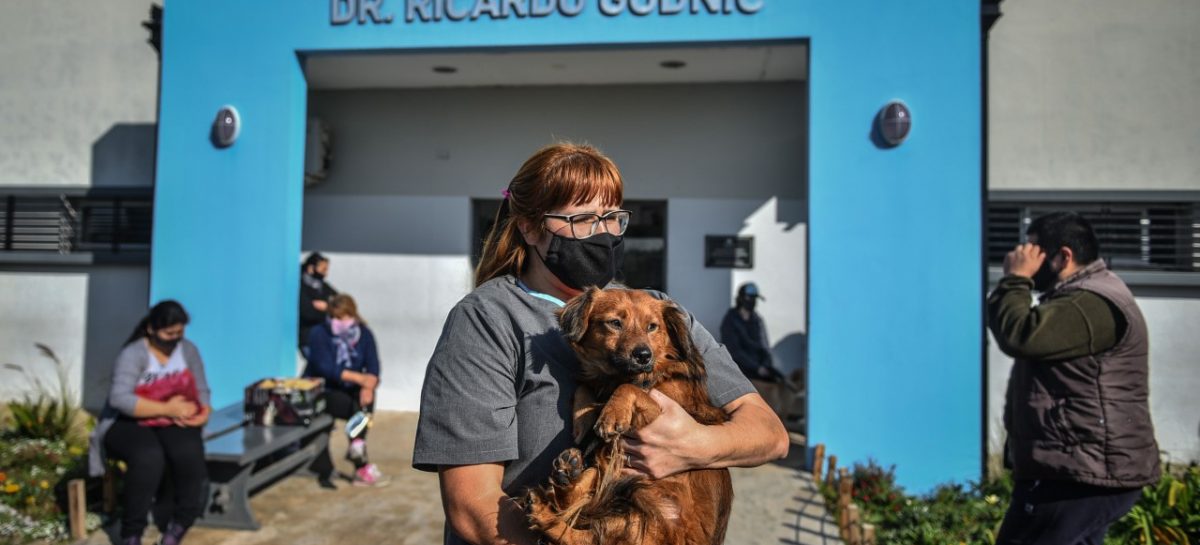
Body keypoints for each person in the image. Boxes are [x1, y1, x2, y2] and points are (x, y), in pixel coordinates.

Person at [412, 143, 790, 545]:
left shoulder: (657, 312)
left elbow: (770, 434)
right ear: (529, 227)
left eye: (612, 217)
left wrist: (695, 445)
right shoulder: (488, 318)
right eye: (582, 220)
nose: (603, 233)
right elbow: (474, 508)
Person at [988, 211, 1160, 545]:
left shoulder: (1091, 302)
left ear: (1063, 256)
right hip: (1076, 467)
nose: (1027, 260)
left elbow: (1020, 335)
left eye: (1035, 252)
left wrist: (1015, 280)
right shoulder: (1080, 298)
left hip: (1082, 473)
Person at [87, 301, 211, 545]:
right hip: (130, 420)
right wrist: (166, 408)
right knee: (148, 457)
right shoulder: (133, 354)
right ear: (151, 329)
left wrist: (203, 411)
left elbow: (202, 388)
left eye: (179, 333)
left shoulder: (188, 351)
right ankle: (132, 533)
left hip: (175, 420)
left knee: (189, 455)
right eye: (168, 334)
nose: (174, 339)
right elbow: (119, 398)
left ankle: (178, 525)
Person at [303, 293, 388, 488]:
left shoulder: (364, 334)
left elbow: (373, 365)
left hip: (351, 391)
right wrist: (360, 379)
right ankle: (359, 459)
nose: (337, 322)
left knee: (365, 399)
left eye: (341, 317)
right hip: (324, 390)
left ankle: (358, 451)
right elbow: (325, 368)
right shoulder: (319, 333)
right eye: (333, 317)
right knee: (354, 407)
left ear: (352, 314)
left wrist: (369, 385)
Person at [720, 282, 792, 419]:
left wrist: (766, 365)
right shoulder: (730, 320)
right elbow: (734, 351)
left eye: (754, 299)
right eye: (749, 298)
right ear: (741, 299)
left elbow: (764, 345)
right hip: (740, 370)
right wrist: (756, 368)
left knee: (784, 385)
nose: (752, 302)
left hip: (760, 369)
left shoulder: (757, 319)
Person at [299, 252, 338, 358]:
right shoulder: (301, 287)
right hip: (308, 339)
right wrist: (328, 309)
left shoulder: (324, 287)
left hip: (326, 339)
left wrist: (327, 307)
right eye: (323, 269)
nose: (325, 274)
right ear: (311, 268)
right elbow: (307, 312)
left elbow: (340, 304)